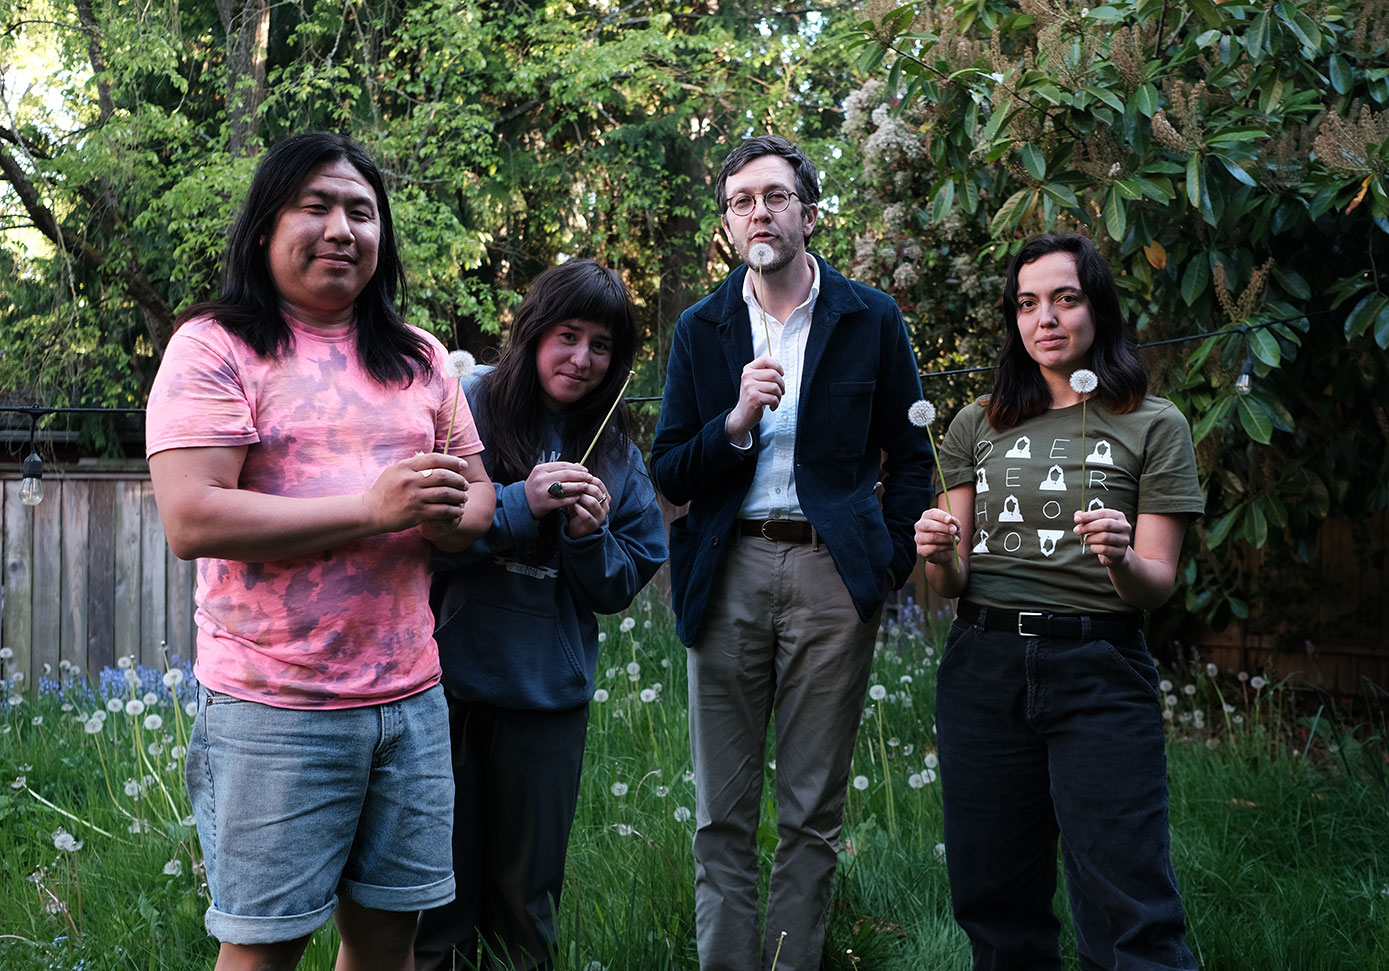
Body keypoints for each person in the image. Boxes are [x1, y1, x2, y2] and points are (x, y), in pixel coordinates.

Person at [145, 131, 495, 971]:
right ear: (266, 225)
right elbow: (192, 518)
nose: (342, 228)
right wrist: (373, 509)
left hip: (410, 701)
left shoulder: (416, 357)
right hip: (276, 707)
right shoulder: (214, 347)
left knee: (386, 941)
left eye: (362, 212)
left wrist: (452, 517)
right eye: (317, 205)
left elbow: (477, 493)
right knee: (264, 948)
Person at [650, 135, 932, 971]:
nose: (756, 212)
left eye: (772, 197)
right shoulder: (702, 328)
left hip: (830, 575)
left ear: (807, 214)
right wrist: (732, 421)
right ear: (729, 224)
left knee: (811, 812)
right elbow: (669, 464)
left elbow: (910, 456)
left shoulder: (870, 316)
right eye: (740, 201)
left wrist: (883, 565)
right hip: (726, 566)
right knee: (720, 814)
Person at [914, 232, 1202, 970]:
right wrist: (937, 552)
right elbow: (950, 584)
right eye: (1027, 302)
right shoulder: (974, 423)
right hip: (984, 666)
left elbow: (1156, 583)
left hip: (1099, 663)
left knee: (1127, 902)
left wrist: (1120, 556)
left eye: (1065, 299)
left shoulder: (1154, 421)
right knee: (995, 899)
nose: (1045, 317)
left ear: (1095, 308)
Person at [414, 259, 667, 971]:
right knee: (435, 904)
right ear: (532, 332)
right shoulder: (465, 409)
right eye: (568, 336)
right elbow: (418, 545)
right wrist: (520, 503)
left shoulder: (616, 455)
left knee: (525, 908)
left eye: (600, 346)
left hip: (545, 704)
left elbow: (620, 585)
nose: (581, 358)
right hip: (443, 693)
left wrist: (587, 539)